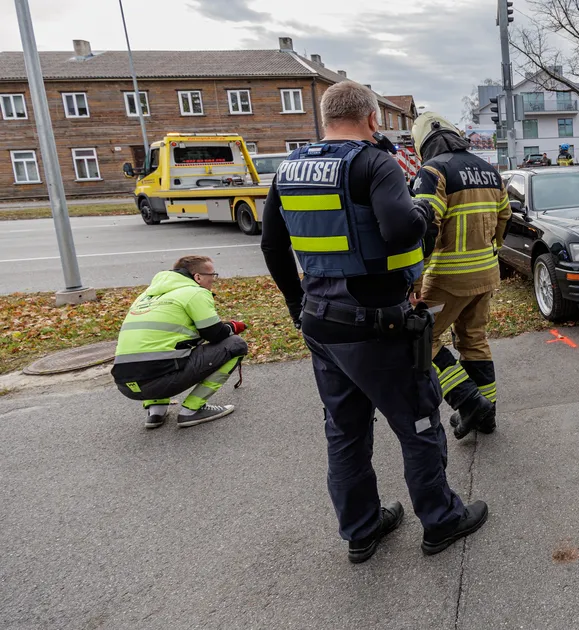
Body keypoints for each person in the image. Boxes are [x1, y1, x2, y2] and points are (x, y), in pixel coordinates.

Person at [259, 81, 487, 563]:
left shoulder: (290, 168)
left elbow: (272, 246)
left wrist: (297, 306)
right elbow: (402, 228)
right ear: (372, 119)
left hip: (321, 322)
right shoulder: (372, 161)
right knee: (419, 422)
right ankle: (441, 521)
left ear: (325, 118)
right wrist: (424, 211)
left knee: (345, 432)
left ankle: (361, 531)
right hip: (378, 324)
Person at [409, 112, 511, 440]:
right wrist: (491, 249)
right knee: (474, 340)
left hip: (446, 279)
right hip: (486, 273)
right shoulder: (489, 171)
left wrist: (414, 281)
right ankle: (487, 416)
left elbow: (421, 226)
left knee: (421, 341)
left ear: (424, 144)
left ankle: (468, 402)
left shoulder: (433, 171)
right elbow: (504, 217)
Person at [112, 255, 249, 429]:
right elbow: (215, 334)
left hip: (126, 385)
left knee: (157, 347)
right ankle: (192, 410)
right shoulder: (194, 292)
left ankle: (156, 411)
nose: (213, 281)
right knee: (235, 345)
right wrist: (232, 326)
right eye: (212, 276)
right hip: (161, 382)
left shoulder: (145, 296)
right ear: (198, 277)